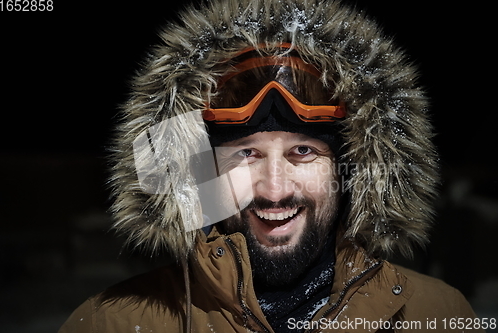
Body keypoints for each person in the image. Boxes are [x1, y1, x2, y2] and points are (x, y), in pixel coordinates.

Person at [60, 0, 485, 332]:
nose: (275, 189)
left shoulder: (438, 315)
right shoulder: (109, 324)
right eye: (246, 153)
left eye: (304, 152)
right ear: (199, 175)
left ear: (352, 173)